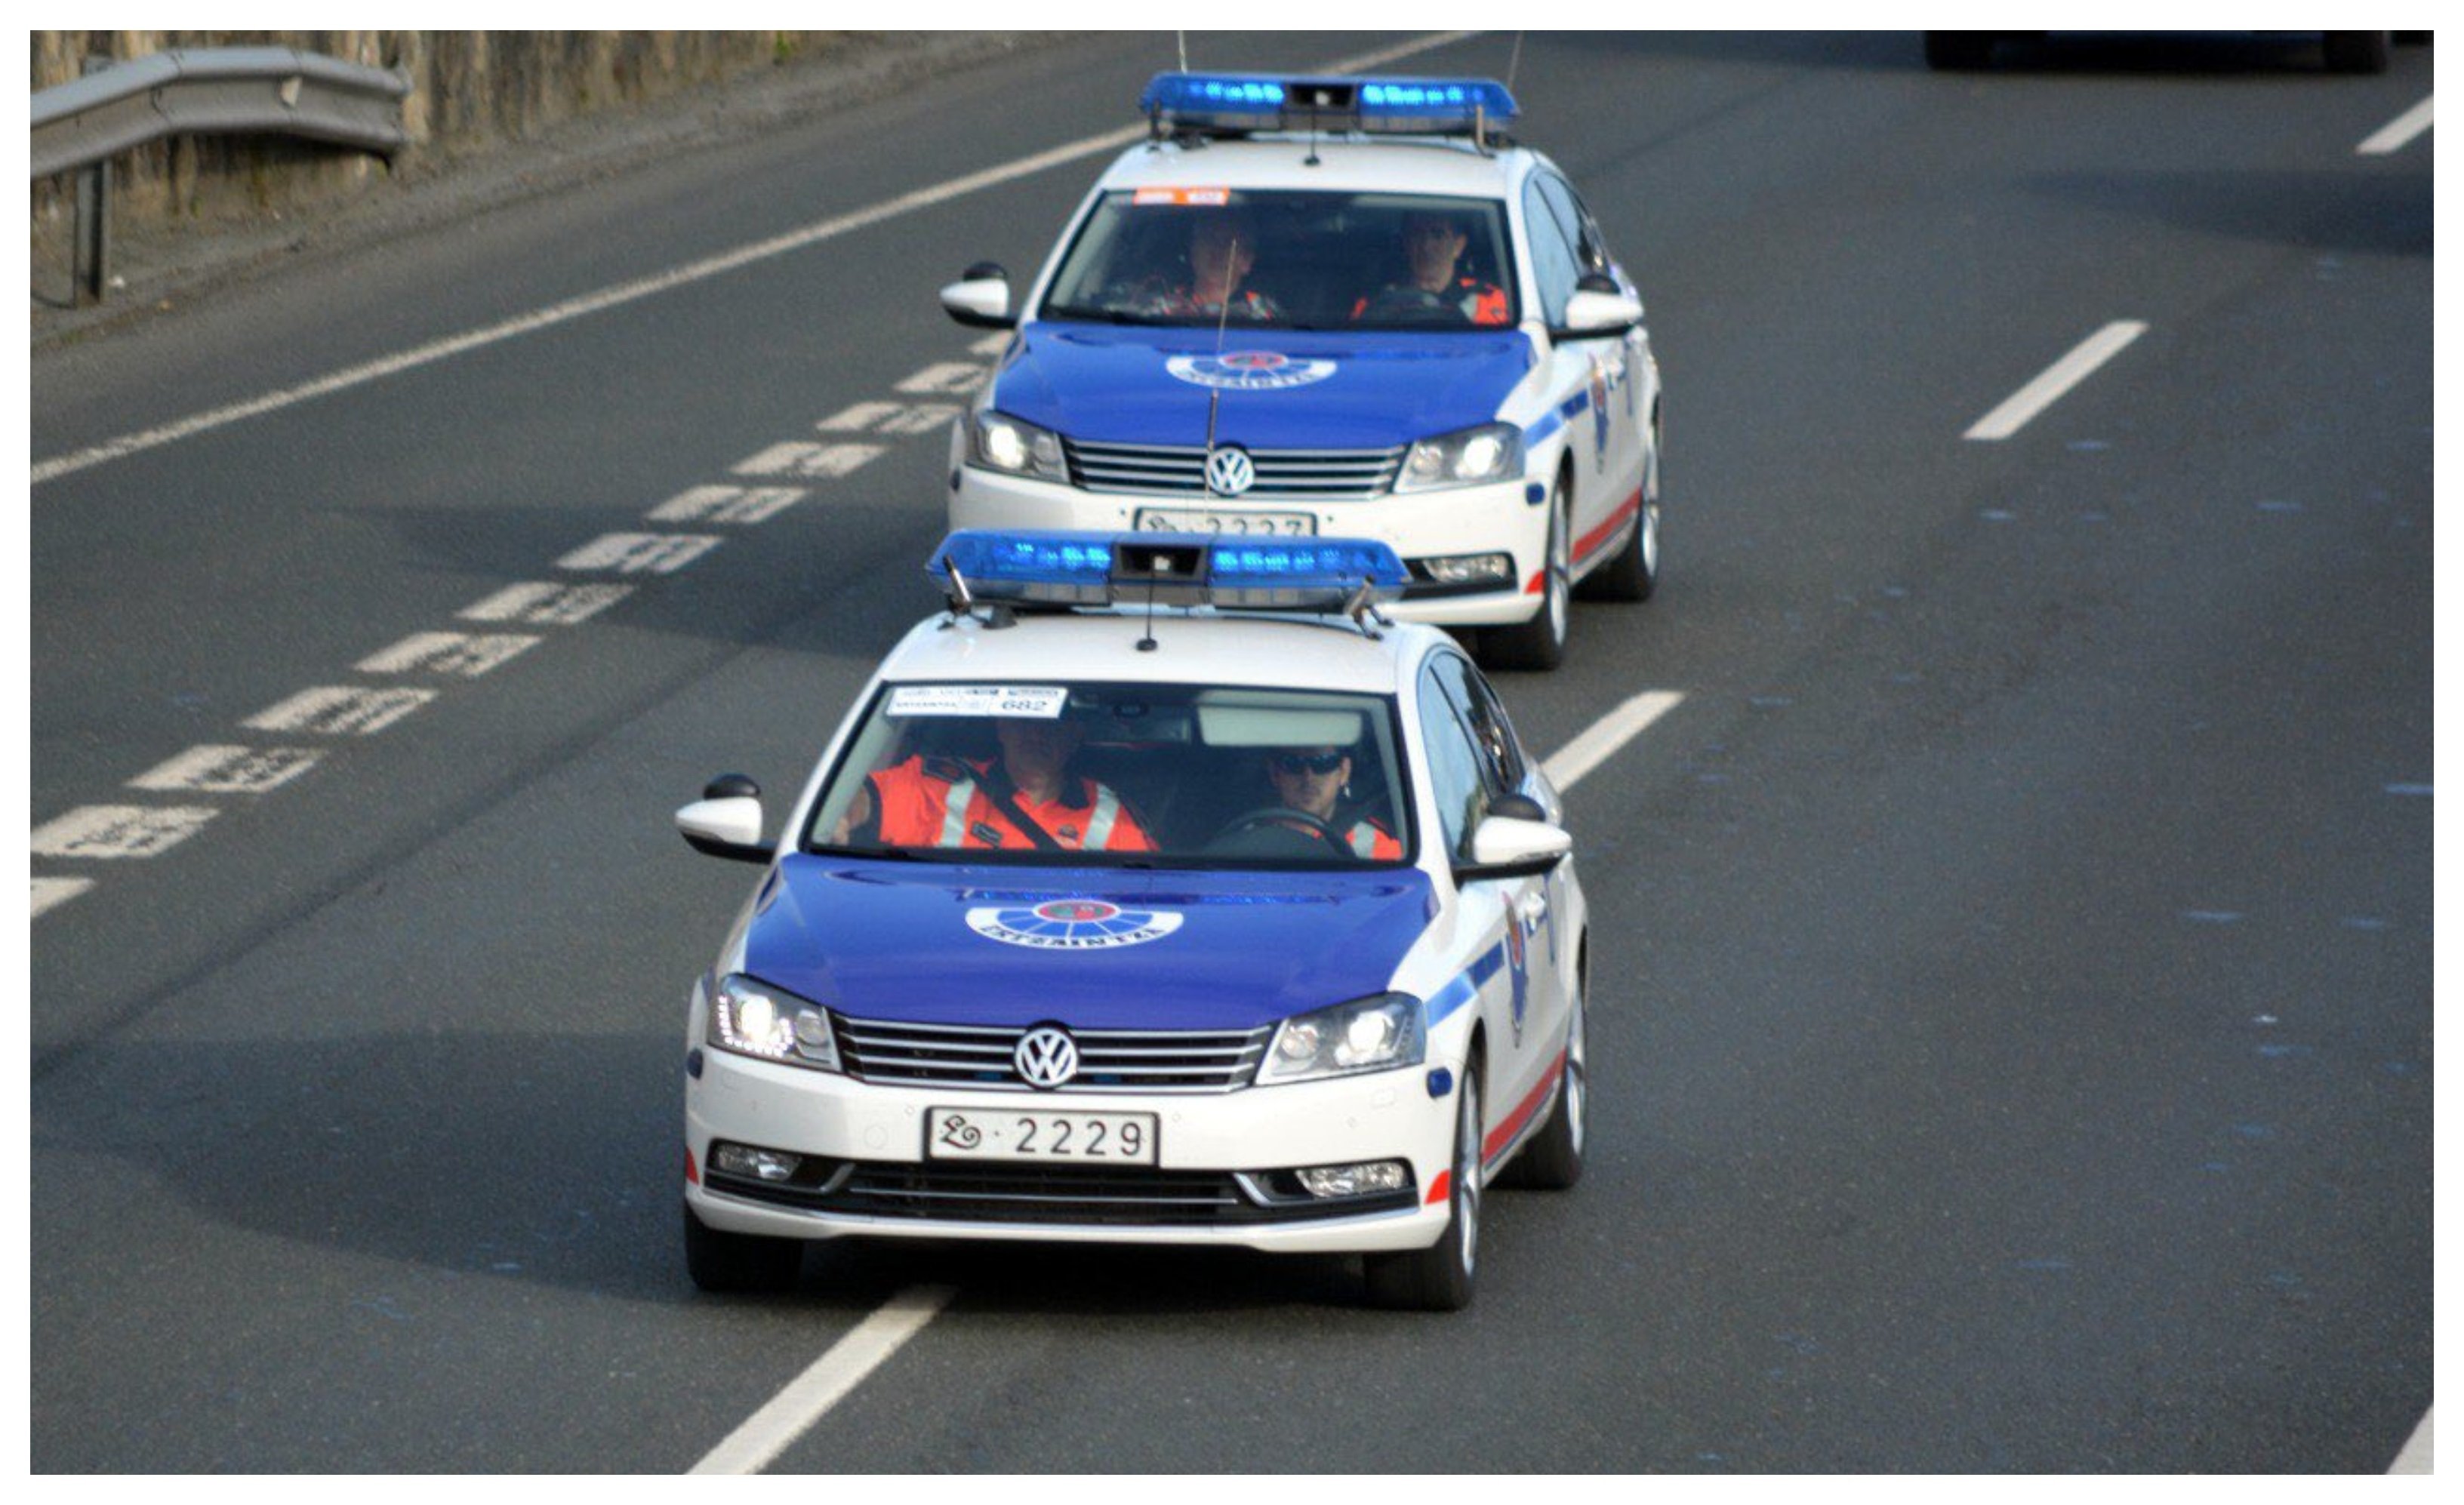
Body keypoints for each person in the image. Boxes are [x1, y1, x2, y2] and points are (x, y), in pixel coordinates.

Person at [836, 715, 1155, 854]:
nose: (1037, 735)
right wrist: (842, 816)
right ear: (1002, 727)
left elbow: (1151, 896)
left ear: (1074, 738)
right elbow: (866, 799)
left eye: (1053, 727)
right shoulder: (941, 783)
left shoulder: (1109, 813)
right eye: (1026, 722)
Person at [1350, 211, 1508, 326]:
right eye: (1417, 235)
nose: (1426, 246)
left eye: (1438, 235)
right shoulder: (1375, 303)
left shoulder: (1491, 300)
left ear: (1458, 246)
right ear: (1406, 243)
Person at [1122, 210, 1282, 321]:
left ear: (1247, 261)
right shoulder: (1162, 306)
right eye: (1209, 239)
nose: (1217, 252)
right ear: (1193, 251)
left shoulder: (1262, 313)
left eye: (1228, 244)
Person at [1263, 744, 1402, 860]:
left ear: (1344, 772)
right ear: (1275, 773)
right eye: (1293, 764)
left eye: (1324, 763)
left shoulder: (1378, 844)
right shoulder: (1251, 836)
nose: (1308, 777)